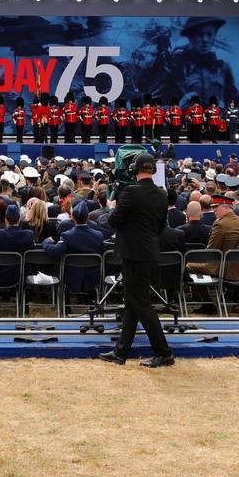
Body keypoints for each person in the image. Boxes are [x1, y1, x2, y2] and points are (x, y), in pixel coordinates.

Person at [102, 153, 174, 368]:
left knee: (140, 303)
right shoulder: (162, 194)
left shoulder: (130, 192)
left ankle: (164, 352)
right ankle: (120, 351)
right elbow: (161, 226)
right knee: (133, 303)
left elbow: (114, 221)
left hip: (134, 255)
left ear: (134, 169)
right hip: (149, 252)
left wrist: (111, 206)